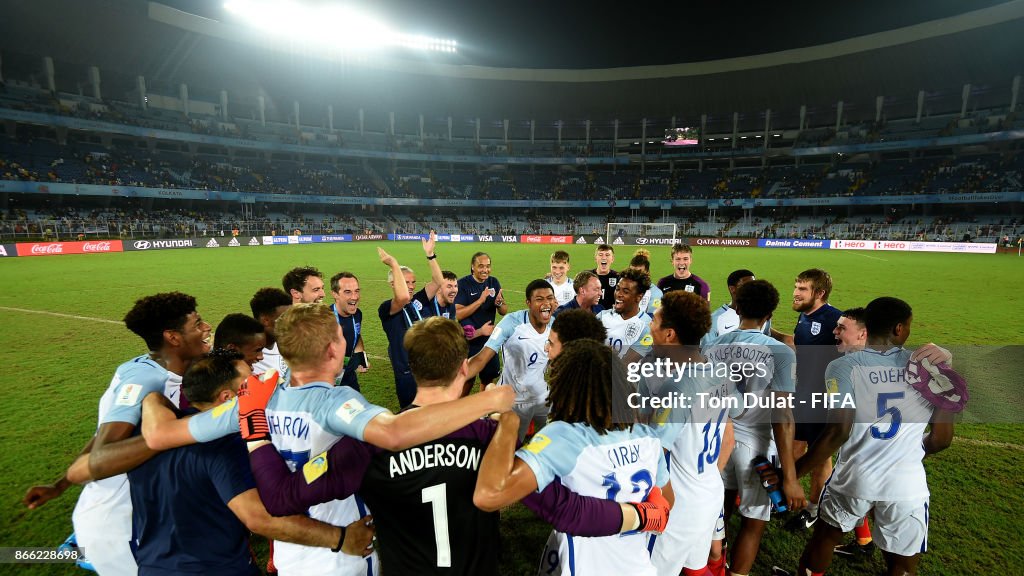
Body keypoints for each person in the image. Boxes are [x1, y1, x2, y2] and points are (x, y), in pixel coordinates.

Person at [241, 317, 668, 575]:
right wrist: (636, 515)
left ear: (410, 369)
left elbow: (281, 497)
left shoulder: (364, 446)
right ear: (465, 367)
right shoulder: (492, 439)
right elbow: (561, 507)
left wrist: (254, 426)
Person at [142, 303, 515, 576]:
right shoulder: (336, 402)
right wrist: (491, 401)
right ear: (332, 350)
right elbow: (395, 432)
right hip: (342, 551)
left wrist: (149, 395)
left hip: (291, 553)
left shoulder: (254, 401)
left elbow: (161, 434)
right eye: (340, 335)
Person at [130, 351, 374, 575]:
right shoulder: (228, 448)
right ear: (227, 397)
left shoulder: (152, 436)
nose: (259, 384)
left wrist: (153, 400)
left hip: (153, 566)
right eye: (249, 383)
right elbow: (260, 519)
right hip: (213, 569)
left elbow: (152, 401)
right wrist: (341, 539)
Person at [23, 292, 212, 576]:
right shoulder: (145, 380)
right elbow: (102, 455)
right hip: (120, 528)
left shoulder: (153, 368)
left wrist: (60, 485)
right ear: (173, 337)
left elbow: (103, 434)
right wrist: (174, 432)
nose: (207, 327)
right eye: (197, 324)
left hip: (148, 519)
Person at [772, 297, 957, 576]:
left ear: (867, 326)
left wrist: (793, 474)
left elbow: (838, 431)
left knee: (825, 537)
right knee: (903, 563)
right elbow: (942, 439)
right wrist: (912, 452)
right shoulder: (928, 368)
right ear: (899, 329)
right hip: (906, 484)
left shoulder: (843, 367)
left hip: (854, 478)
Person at [473, 339, 672, 576]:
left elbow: (494, 493)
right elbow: (666, 501)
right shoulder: (648, 439)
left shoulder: (566, 437)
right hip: (639, 567)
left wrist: (506, 420)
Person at [703, 280, 805, 576]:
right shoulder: (780, 352)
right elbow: (782, 414)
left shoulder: (713, 346)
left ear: (736, 307)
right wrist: (790, 476)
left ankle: (711, 564)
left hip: (719, 438)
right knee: (753, 523)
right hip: (757, 447)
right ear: (771, 312)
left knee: (716, 511)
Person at [645, 291, 734, 576]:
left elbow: (655, 453)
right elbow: (728, 434)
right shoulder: (718, 372)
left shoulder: (678, 387)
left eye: (655, 321)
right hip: (708, 492)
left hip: (677, 504)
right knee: (695, 569)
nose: (650, 325)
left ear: (670, 334)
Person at [786, 268, 843, 532]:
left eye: (802, 289)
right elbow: (800, 346)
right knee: (795, 446)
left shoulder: (835, 320)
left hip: (822, 400)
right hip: (802, 395)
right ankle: (789, 494)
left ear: (819, 293)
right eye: (796, 287)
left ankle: (813, 507)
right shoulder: (803, 317)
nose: (796, 293)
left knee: (820, 457)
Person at [466, 280, 557, 441]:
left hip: (543, 399)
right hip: (512, 402)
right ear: (528, 303)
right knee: (510, 450)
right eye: (539, 299)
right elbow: (481, 358)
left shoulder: (556, 325)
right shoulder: (511, 323)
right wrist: (453, 380)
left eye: (550, 298)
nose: (546, 303)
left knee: (546, 447)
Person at [377, 247, 443, 407]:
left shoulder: (417, 301)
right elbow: (402, 297)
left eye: (413, 282)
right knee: (411, 414)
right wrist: (393, 264)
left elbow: (439, 282)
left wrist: (430, 255)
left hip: (427, 369)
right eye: (406, 282)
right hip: (407, 374)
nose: (412, 286)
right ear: (393, 283)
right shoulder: (387, 308)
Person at [454, 251, 506, 393]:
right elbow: (458, 313)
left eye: (488, 266)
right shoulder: (463, 284)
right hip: (469, 342)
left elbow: (503, 311)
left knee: (488, 378)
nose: (485, 270)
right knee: (466, 380)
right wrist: (480, 301)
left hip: (489, 341)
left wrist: (499, 303)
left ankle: (483, 411)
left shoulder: (493, 282)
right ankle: (459, 412)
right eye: (481, 266)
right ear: (473, 267)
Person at [596, 267, 653, 359]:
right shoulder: (602, 316)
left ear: (639, 297)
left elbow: (626, 365)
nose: (619, 294)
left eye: (625, 292)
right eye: (618, 289)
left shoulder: (646, 327)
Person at [329, 271, 367, 391]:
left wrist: (361, 356)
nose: (354, 297)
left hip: (349, 374)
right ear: (335, 294)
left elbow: (356, 334)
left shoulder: (357, 314)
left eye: (357, 291)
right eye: (347, 292)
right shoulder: (324, 319)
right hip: (328, 380)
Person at [411, 231, 458, 321]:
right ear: (438, 288)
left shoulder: (451, 306)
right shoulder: (425, 306)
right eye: (449, 286)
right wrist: (430, 254)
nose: (454, 290)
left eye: (455, 286)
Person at [249, 287, 291, 377]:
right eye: (284, 319)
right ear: (266, 321)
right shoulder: (250, 358)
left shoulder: (288, 345)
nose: (290, 324)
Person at [629, 249, 664, 317]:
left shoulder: (656, 293)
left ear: (647, 272)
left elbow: (653, 317)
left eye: (639, 272)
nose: (634, 276)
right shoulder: (623, 289)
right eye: (632, 272)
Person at [589, 243, 620, 310]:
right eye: (600, 255)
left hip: (611, 317)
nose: (604, 258)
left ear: (612, 259)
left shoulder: (618, 278)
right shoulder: (587, 276)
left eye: (607, 255)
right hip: (590, 317)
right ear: (595, 258)